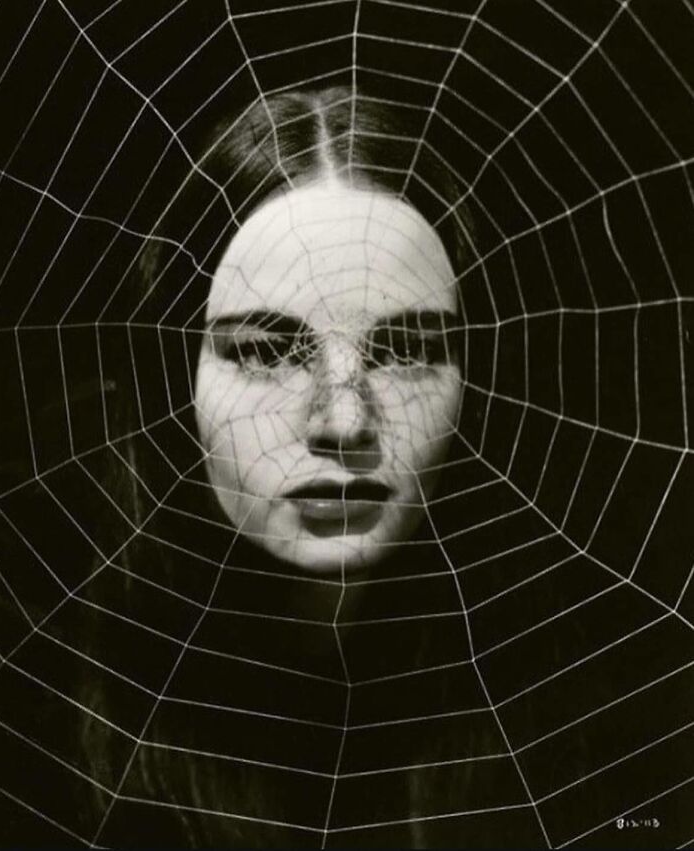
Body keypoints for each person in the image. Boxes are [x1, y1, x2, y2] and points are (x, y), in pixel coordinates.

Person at [78, 85, 550, 847]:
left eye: (407, 348)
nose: (344, 422)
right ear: (172, 383)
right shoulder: (35, 730)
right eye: (265, 351)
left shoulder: (578, 717)